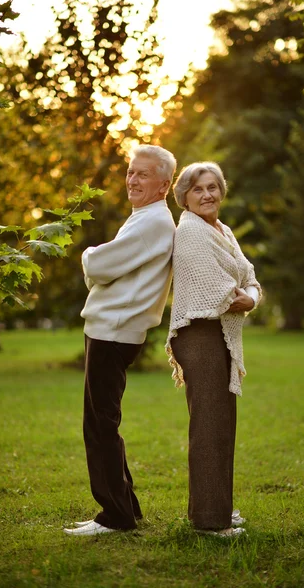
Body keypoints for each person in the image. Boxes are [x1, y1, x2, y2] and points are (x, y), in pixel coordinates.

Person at [64, 145, 176, 536]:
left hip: (114, 331)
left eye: (143, 174)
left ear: (164, 185)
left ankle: (116, 517)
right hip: (109, 329)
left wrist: (91, 257)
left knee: (100, 426)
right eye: (131, 172)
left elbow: (100, 264)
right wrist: (101, 268)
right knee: (101, 422)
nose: (132, 180)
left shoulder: (154, 222)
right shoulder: (145, 217)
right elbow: (108, 270)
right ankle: (126, 507)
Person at [165, 161, 261, 537]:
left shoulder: (222, 229)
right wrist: (246, 296)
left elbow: (249, 279)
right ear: (184, 197)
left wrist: (251, 298)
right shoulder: (189, 232)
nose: (208, 195)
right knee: (208, 427)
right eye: (198, 189)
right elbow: (223, 291)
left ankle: (214, 507)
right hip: (199, 335)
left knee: (222, 426)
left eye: (213, 188)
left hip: (220, 335)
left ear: (221, 191)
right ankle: (208, 521)